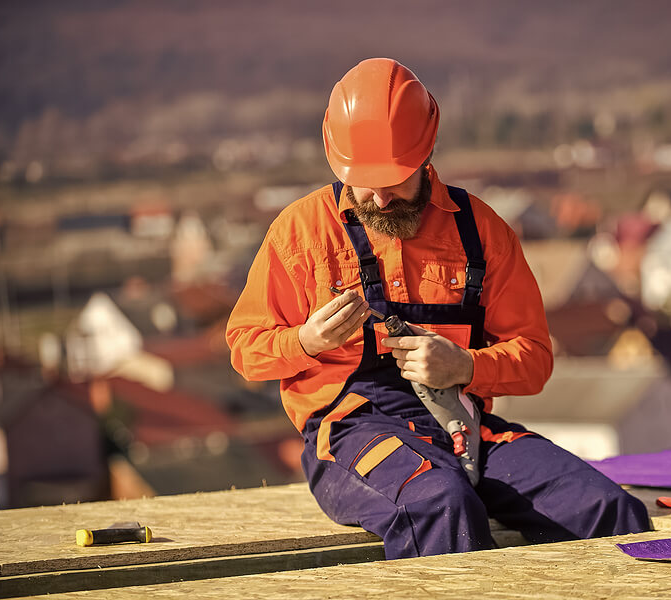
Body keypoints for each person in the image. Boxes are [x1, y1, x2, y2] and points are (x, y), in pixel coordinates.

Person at [226, 58, 649, 559]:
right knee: (440, 504)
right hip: (351, 433)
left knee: (609, 508)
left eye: (395, 180)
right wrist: (306, 341)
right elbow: (244, 350)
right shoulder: (301, 232)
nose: (380, 199)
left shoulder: (482, 231)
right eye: (365, 182)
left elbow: (535, 358)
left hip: (464, 426)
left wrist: (466, 365)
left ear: (425, 153)